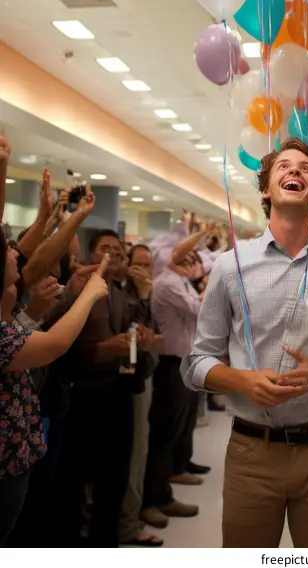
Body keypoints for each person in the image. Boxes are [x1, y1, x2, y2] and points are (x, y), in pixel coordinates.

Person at [182, 138, 308, 548]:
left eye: (305, 168)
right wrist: (243, 382)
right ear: (266, 190)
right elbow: (198, 362)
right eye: (284, 167)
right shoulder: (230, 264)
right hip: (251, 453)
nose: (295, 172)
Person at [48, 229, 158, 547]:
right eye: (104, 248)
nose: (113, 254)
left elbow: (135, 330)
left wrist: (140, 338)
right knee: (75, 476)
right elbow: (62, 345)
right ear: (91, 255)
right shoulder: (78, 289)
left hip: (118, 390)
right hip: (83, 393)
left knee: (115, 474)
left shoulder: (121, 292)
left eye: (117, 249)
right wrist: (105, 349)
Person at [0, 229, 109, 546]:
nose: (14, 254)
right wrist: (89, 295)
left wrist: (69, 214)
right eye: (6, 248)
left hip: (15, 461)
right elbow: (56, 343)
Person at [142, 233, 208, 528]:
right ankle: (155, 498)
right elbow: (198, 309)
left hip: (185, 361)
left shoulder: (175, 279)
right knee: (165, 433)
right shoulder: (166, 282)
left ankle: (163, 489)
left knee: (177, 428)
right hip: (172, 365)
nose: (186, 256)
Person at [119, 244, 164, 547]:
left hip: (143, 377)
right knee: (133, 452)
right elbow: (132, 338)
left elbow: (160, 337)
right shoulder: (121, 296)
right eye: (138, 263)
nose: (143, 270)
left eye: (148, 264)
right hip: (122, 380)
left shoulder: (152, 295)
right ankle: (127, 525)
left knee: (140, 450)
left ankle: (130, 518)